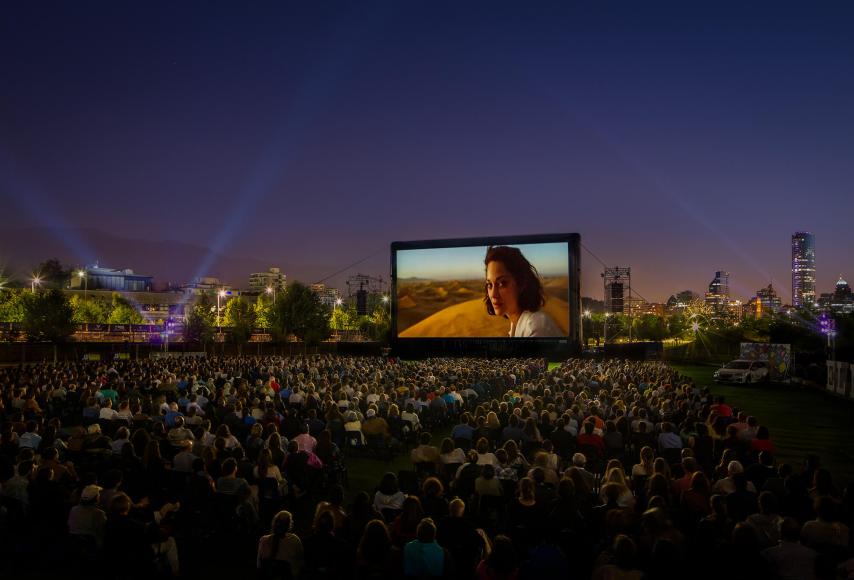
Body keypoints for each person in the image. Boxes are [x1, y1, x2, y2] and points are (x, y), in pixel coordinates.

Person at [483, 245, 563, 337]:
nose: (493, 294)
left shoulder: (536, 328)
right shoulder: (516, 325)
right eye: (489, 285)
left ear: (521, 283)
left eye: (502, 283)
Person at [257, 510, 304, 578]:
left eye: (284, 523)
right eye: (278, 522)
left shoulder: (294, 540)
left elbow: (300, 563)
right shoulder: (264, 540)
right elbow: (259, 565)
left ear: (288, 525)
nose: (280, 525)